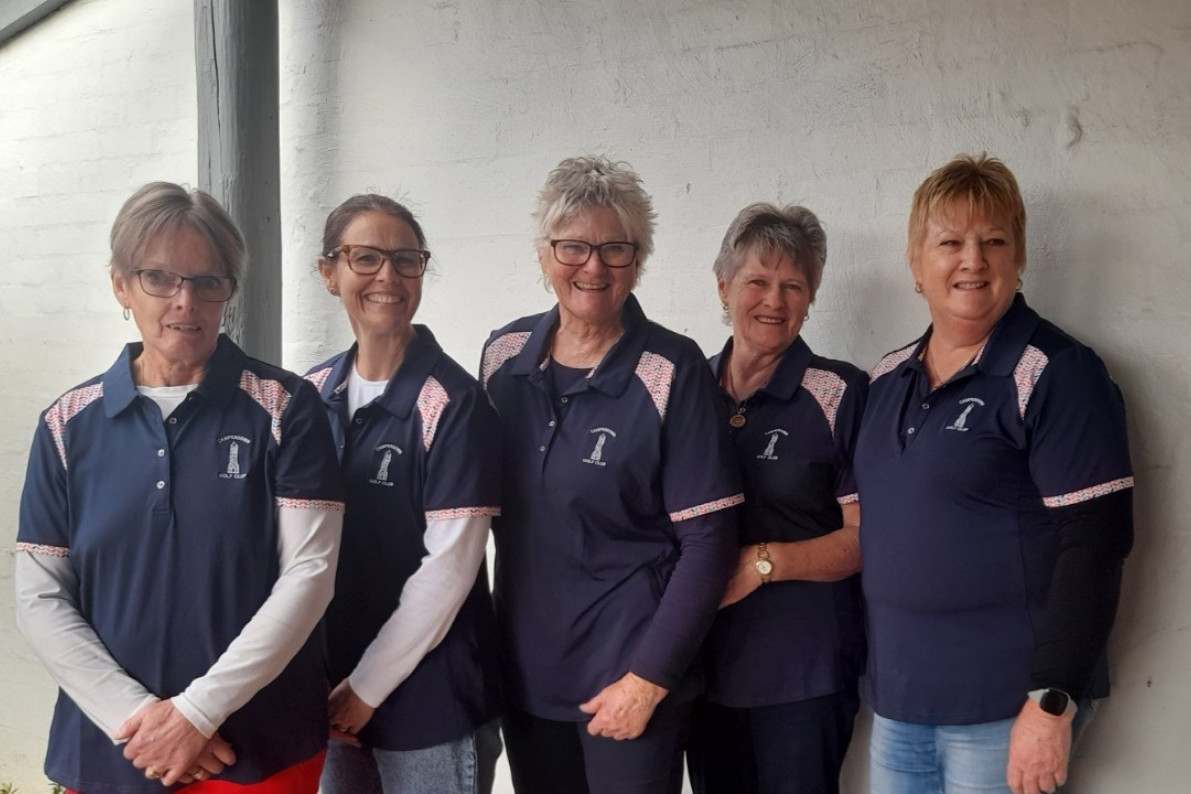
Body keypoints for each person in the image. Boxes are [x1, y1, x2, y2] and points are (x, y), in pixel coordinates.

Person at [15, 182, 345, 794]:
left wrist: (196, 714)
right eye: (159, 278)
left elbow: (310, 574)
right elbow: (41, 598)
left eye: (206, 281)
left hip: (255, 749)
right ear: (121, 285)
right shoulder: (67, 424)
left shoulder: (286, 409)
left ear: (229, 292)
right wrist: (141, 723)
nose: (184, 301)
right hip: (114, 748)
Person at [854, 154, 1134, 794]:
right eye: (950, 241)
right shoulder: (884, 379)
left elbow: (1096, 544)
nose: (972, 260)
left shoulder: (1058, 372)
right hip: (900, 706)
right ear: (916, 263)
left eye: (994, 241)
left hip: (1006, 709)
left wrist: (1052, 702)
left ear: (1020, 256)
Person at [480, 155, 743, 794]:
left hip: (629, 680)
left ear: (638, 259)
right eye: (573, 246)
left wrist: (648, 681)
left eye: (616, 249)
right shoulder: (502, 356)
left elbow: (710, 543)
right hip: (526, 677)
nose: (593, 267)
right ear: (544, 256)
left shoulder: (671, 370)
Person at [307, 194, 503, 793]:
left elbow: (448, 571)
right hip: (332, 693)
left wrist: (364, 690)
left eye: (406, 259)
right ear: (328, 272)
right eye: (364, 258)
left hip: (429, 702)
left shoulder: (455, 404)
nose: (387, 276)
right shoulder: (310, 396)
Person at [685, 203, 866, 794]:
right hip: (702, 668)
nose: (774, 301)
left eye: (793, 285)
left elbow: (866, 538)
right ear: (723, 288)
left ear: (811, 298)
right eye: (757, 282)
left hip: (803, 674)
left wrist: (764, 564)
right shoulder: (686, 391)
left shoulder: (839, 391)